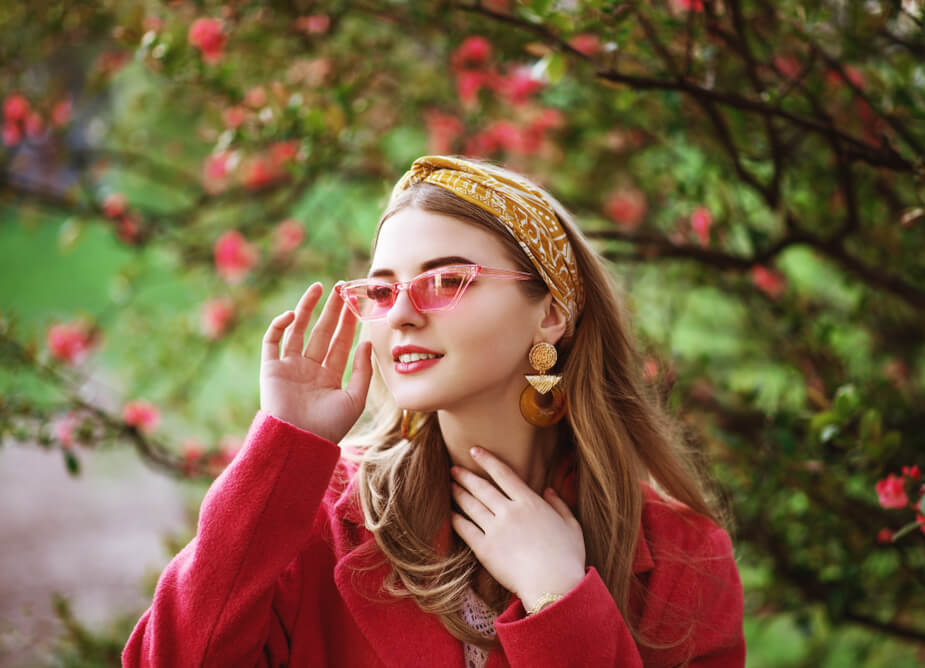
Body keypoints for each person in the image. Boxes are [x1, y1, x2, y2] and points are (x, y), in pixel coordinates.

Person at [122, 155, 745, 667]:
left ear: (552, 313)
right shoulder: (319, 519)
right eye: (384, 288)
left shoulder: (683, 557)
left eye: (447, 281)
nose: (401, 313)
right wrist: (283, 450)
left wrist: (559, 600)